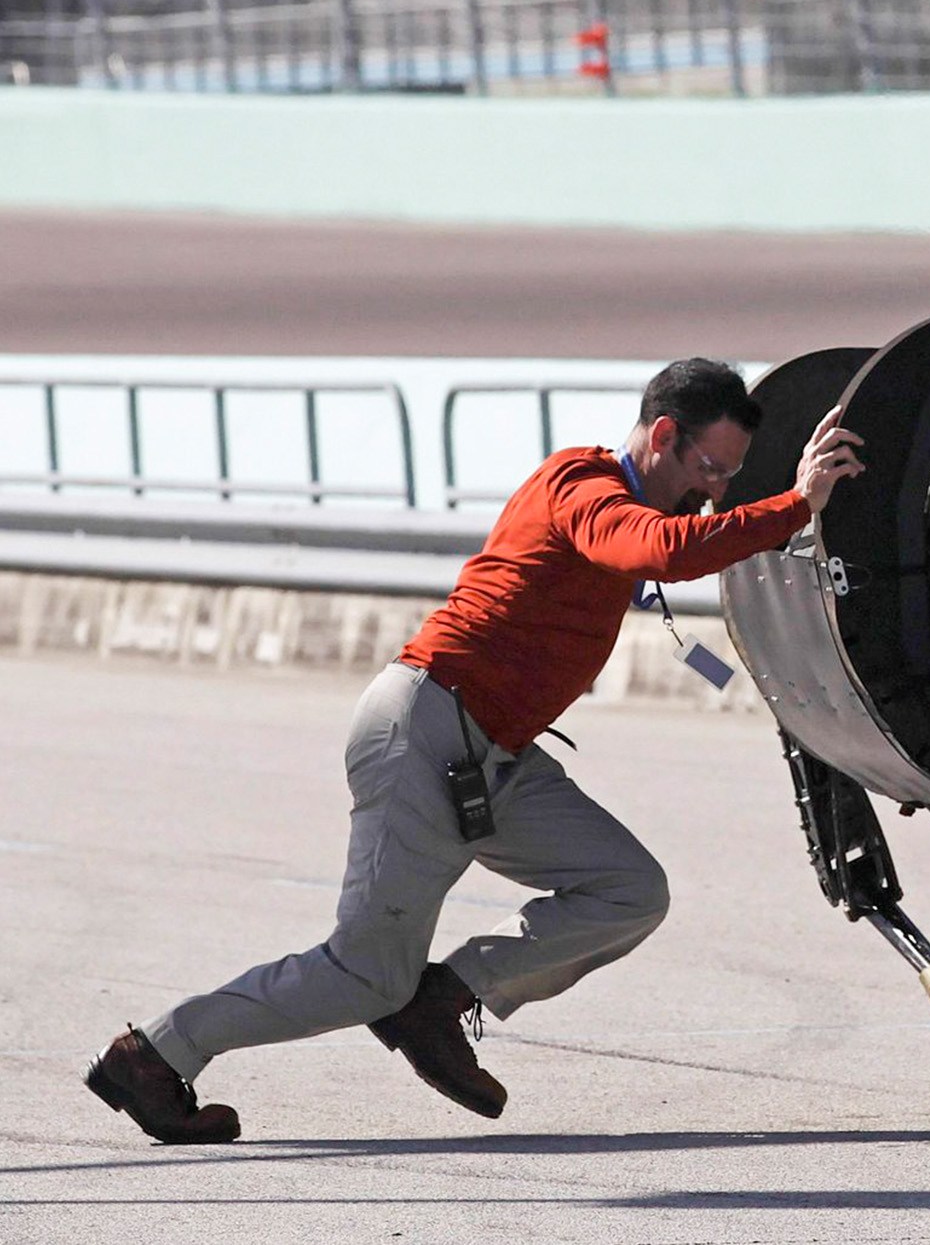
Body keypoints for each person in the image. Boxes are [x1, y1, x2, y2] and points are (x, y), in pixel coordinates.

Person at [84, 358, 863, 1144]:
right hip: (425, 732)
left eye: (728, 476)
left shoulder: (631, 501)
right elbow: (658, 548)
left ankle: (444, 995)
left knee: (629, 889)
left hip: (495, 758)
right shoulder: (583, 487)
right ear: (663, 435)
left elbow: (678, 545)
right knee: (363, 974)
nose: (717, 490)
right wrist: (795, 503)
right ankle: (154, 1054)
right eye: (710, 469)